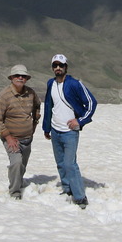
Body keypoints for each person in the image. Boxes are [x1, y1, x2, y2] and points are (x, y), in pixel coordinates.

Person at [42, 54, 97, 209]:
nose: (58, 68)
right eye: (55, 65)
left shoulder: (75, 84)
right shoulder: (50, 83)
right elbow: (48, 106)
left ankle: (80, 196)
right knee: (60, 163)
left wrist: (79, 121)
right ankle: (67, 189)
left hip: (70, 132)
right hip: (55, 130)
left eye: (61, 65)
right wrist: (47, 128)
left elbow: (92, 102)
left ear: (66, 67)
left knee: (70, 164)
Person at [0, 64, 41, 200]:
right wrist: (8, 137)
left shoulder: (31, 93)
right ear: (11, 78)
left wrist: (35, 122)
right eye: (17, 75)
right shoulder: (4, 96)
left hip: (27, 138)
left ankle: (17, 181)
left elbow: (37, 105)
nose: (20, 78)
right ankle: (15, 192)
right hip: (12, 139)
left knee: (21, 166)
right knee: (16, 163)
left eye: (23, 76)